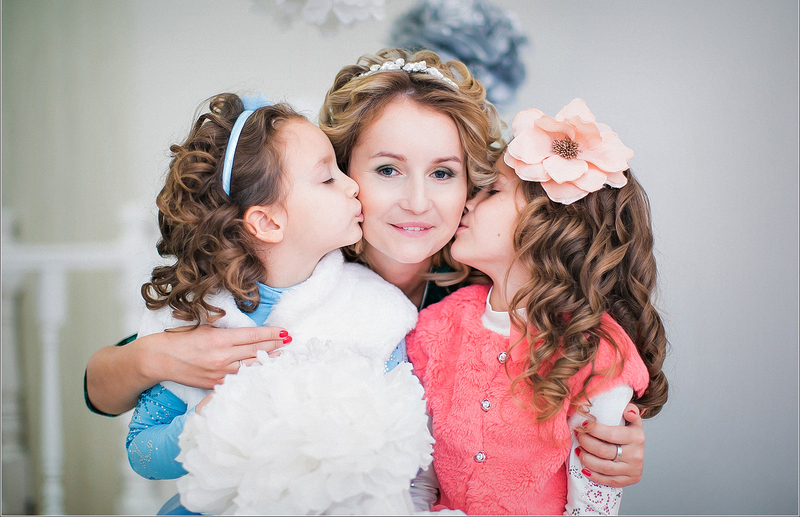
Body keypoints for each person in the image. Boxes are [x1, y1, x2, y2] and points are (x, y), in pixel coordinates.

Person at [84, 48, 648, 499]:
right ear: (343, 171)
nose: (417, 202)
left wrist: (611, 448)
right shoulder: (289, 275)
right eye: (387, 170)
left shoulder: (489, 298)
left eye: (443, 173)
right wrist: (151, 357)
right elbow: (101, 389)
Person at [125, 92, 429, 514]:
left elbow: (404, 441)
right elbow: (141, 453)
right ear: (267, 222)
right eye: (328, 178)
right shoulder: (194, 318)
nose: (352, 185)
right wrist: (210, 420)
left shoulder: (375, 311)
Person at [405, 98, 669, 515]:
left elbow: (592, 506)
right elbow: (418, 476)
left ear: (550, 226)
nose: (466, 202)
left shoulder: (595, 353)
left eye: (492, 191)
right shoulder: (437, 326)